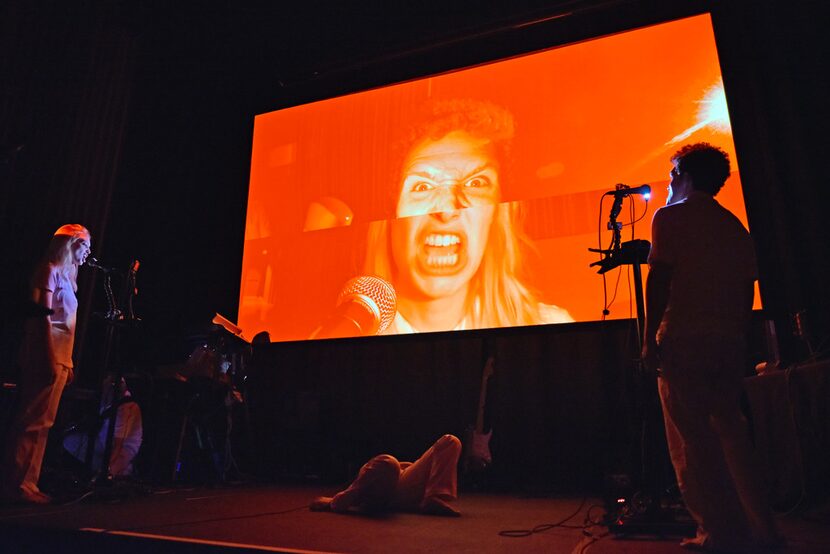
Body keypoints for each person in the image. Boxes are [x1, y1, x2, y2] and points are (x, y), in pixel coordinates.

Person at [641, 143, 781, 550]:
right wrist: (737, 337)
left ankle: (717, 533)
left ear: (683, 175)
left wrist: (649, 340)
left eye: (671, 176)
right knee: (735, 438)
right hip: (726, 344)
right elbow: (744, 292)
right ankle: (763, 529)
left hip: (683, 342)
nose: (668, 184)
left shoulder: (669, 218)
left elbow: (660, 281)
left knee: (692, 445)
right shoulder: (734, 226)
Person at [363, 99, 572, 333]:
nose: (448, 209)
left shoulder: (548, 328)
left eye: (476, 183)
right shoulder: (344, 341)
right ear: (391, 217)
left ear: (496, 212)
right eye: (422, 186)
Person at [2, 224, 92, 504]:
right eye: (85, 246)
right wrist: (49, 356)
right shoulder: (49, 270)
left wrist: (69, 360)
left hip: (59, 358)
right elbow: (42, 318)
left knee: (44, 423)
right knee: (31, 420)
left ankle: (29, 481)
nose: (88, 253)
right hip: (44, 355)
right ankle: (15, 484)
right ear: (71, 244)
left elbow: (67, 326)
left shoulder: (67, 278)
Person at [310, 434, 462, 516]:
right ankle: (430, 500)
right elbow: (356, 490)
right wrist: (333, 502)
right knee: (388, 462)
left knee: (450, 441)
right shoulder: (377, 469)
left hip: (408, 485)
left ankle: (431, 498)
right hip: (387, 494)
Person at [62, 375, 143, 477]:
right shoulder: (107, 398)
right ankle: (99, 468)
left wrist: (106, 468)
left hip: (124, 449)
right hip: (103, 441)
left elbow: (118, 445)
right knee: (69, 442)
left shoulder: (125, 408)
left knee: (109, 473)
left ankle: (123, 469)